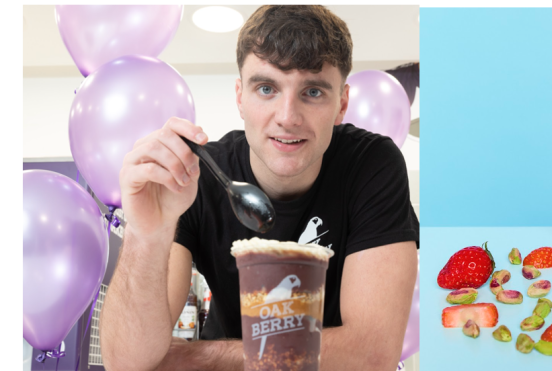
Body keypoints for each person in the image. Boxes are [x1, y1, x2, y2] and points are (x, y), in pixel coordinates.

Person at [99, 5, 419, 371]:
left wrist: (190, 356)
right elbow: (126, 363)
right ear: (240, 97)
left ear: (341, 104)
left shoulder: (371, 163)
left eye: (312, 92)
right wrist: (146, 233)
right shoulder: (195, 176)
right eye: (266, 88)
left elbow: (370, 354)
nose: (287, 117)